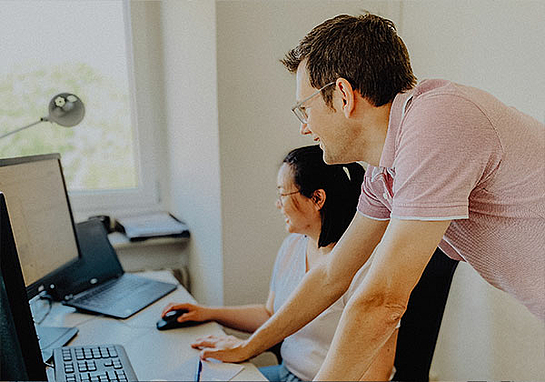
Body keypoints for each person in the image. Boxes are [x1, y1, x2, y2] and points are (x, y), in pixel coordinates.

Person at [192, 12, 545, 380]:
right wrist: (249, 347)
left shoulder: (438, 121)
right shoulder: (385, 170)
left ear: (343, 96)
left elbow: (382, 301)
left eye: (305, 108)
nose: (304, 126)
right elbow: (332, 274)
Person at [162, 145, 397, 381]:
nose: (278, 204)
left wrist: (246, 347)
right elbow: (271, 315)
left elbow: (377, 374)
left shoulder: (365, 269)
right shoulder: (293, 245)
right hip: (286, 372)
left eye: (282, 194)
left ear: (317, 198)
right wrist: (208, 313)